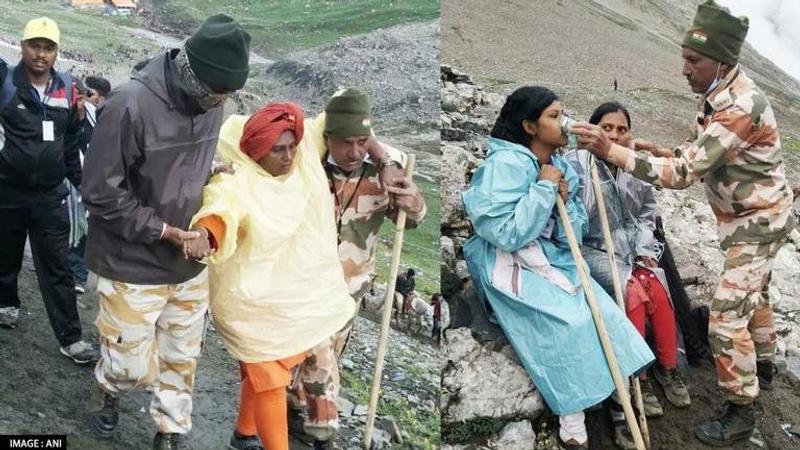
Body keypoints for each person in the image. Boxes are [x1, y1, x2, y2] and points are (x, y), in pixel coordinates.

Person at [572, 1, 795, 446]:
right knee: (757, 294)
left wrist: (611, 150)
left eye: (693, 60)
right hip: (752, 218)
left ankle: (742, 411)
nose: (684, 69)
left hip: (758, 221)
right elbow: (694, 153)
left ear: (721, 60)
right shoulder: (716, 97)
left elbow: (682, 176)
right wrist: (660, 150)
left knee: (727, 319)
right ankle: (764, 365)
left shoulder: (740, 105)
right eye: (684, 58)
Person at [81, 14, 251, 450]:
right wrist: (165, 231)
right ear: (193, 74)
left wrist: (212, 170)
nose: (222, 103)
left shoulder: (212, 104)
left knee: (182, 357)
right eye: (218, 93)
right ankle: (110, 386)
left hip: (190, 266)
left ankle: (170, 430)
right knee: (130, 367)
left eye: (229, 95)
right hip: (132, 262)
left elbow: (177, 168)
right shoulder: (128, 105)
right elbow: (99, 194)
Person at [461, 86, 654, 449]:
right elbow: (505, 233)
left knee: (603, 312)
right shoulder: (502, 166)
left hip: (552, 257)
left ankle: (617, 389)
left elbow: (573, 234)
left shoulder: (562, 166)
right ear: (529, 126)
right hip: (507, 263)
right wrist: (542, 192)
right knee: (570, 321)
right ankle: (572, 409)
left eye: (563, 113)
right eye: (554, 116)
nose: (565, 123)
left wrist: (565, 200)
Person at [187, 102, 355, 450]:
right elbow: (220, 209)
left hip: (288, 296)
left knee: (268, 371)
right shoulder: (237, 177)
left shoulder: (303, 158)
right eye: (278, 149)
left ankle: (244, 433)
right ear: (257, 150)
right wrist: (207, 234)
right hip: (249, 302)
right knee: (269, 377)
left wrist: (383, 159)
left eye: (292, 146)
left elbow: (340, 107)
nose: (289, 155)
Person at [290, 88, 427, 449]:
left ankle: (295, 410)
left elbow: (412, 219)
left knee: (326, 358)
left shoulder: (384, 174)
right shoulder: (304, 164)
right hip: (302, 286)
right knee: (319, 361)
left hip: (350, 289)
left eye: (362, 141)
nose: (354, 151)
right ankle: (324, 433)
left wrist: (413, 205)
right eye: (345, 142)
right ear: (327, 138)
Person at [565, 102, 690, 447]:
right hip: (596, 250)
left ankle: (667, 368)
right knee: (633, 294)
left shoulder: (635, 166)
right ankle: (636, 380)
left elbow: (648, 215)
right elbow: (576, 223)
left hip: (633, 250)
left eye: (622, 130)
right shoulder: (577, 166)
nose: (615, 135)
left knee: (658, 290)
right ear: (593, 129)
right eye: (607, 128)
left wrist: (647, 251)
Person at [0, 16, 97, 364]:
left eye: (48, 48)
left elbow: (71, 143)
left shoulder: (68, 90)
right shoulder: (5, 81)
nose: (41, 54)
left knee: (58, 268)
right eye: (34, 46)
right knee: (5, 254)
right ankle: (6, 304)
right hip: (6, 191)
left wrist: (83, 184)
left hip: (49, 196)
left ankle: (71, 339)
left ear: (57, 52)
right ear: (22, 46)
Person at [67, 75, 111, 294]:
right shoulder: (66, 113)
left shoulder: (98, 117)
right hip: (67, 176)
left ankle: (78, 274)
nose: (82, 98)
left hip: (89, 178)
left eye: (87, 94)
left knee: (83, 226)